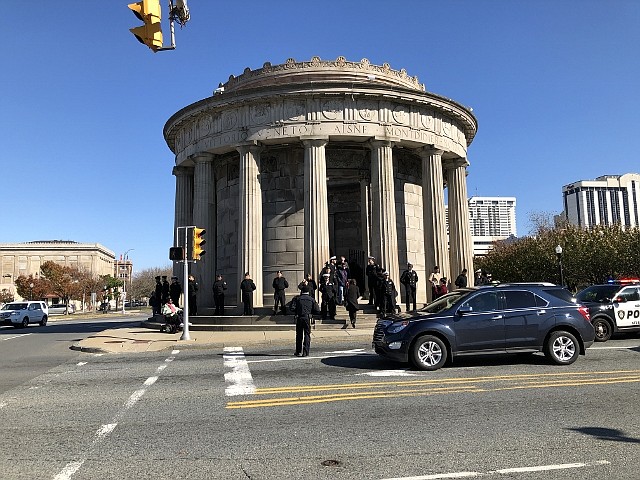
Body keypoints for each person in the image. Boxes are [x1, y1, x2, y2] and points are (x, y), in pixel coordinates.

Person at [289, 285, 321, 357]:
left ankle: (298, 351)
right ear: (308, 292)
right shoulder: (311, 299)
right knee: (307, 334)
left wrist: (297, 311)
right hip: (307, 318)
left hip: (299, 317)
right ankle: (306, 352)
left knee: (299, 335)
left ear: (302, 291)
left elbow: (292, 308)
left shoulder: (297, 299)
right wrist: (311, 313)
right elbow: (317, 310)